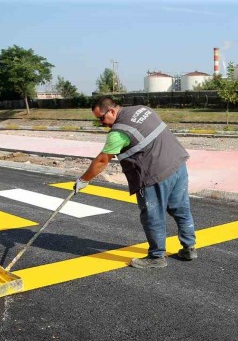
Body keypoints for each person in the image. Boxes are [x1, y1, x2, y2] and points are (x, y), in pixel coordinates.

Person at [74, 96, 197, 269]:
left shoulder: (118, 133)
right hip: (178, 165)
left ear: (111, 111)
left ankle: (156, 256)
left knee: (152, 216)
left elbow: (102, 161)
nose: (102, 123)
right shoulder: (143, 109)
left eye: (101, 118)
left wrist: (83, 180)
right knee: (181, 208)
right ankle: (189, 248)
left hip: (154, 175)